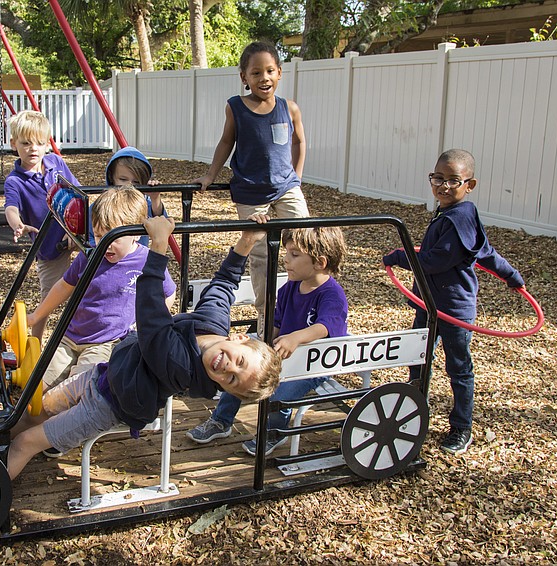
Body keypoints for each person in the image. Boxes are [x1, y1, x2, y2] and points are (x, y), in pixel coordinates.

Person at [4, 215, 283, 482]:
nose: (227, 369)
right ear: (239, 338)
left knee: (25, 443)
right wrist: (247, 242)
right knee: (35, 411)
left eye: (231, 381)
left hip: (107, 405)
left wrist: (158, 246)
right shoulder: (213, 324)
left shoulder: (183, 367)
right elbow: (224, 284)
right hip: (104, 374)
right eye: (240, 362)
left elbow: (151, 318)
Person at [382, 149, 525, 456]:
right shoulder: (452, 213)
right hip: (428, 305)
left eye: (453, 180)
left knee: (458, 369)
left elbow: (436, 261)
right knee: (418, 359)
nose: (443, 186)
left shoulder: (460, 216)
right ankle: (413, 415)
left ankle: (461, 427)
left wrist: (399, 256)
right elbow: (486, 253)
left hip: (453, 309)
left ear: (469, 185)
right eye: (438, 178)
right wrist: (511, 276)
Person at [187, 226, 349, 457]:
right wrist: (265, 342)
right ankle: (221, 420)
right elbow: (278, 322)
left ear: (319, 263)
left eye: (294, 255)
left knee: (280, 394)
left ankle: (275, 431)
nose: (286, 259)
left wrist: (296, 338)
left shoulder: (332, 295)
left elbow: (326, 326)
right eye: (287, 252)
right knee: (240, 368)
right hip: (284, 352)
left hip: (313, 363)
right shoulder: (289, 288)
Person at [192, 40, 310, 337]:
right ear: (244, 77)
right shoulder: (236, 107)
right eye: (256, 73)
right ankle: (266, 317)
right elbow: (226, 142)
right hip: (251, 192)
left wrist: (296, 175)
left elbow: (299, 141)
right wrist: (209, 175)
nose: (264, 78)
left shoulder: (289, 108)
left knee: (307, 238)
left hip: (286, 187)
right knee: (260, 253)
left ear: (280, 73)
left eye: (270, 71)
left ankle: (306, 305)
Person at [27, 185, 177, 392]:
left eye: (113, 238)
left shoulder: (145, 261)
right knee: (36, 386)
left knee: (76, 390)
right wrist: (36, 316)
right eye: (99, 236)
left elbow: (168, 293)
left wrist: (144, 322)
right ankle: (35, 418)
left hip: (106, 343)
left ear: (135, 233)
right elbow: (64, 286)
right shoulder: (89, 256)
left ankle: (57, 420)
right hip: (70, 337)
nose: (105, 244)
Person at [3, 110, 80, 340]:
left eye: (39, 143)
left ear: (47, 144)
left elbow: (76, 191)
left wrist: (76, 230)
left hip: (76, 233)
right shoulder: (15, 181)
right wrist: (18, 224)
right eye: (26, 143)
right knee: (48, 301)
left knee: (89, 284)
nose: (33, 148)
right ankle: (36, 345)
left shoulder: (55, 162)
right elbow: (11, 207)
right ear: (14, 144)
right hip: (50, 247)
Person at [104, 146, 164, 247]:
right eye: (123, 179)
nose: (129, 186)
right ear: (111, 177)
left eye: (136, 182)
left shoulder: (143, 203)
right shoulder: (104, 203)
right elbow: (90, 233)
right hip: (108, 257)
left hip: (138, 260)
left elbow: (161, 221)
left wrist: (155, 198)